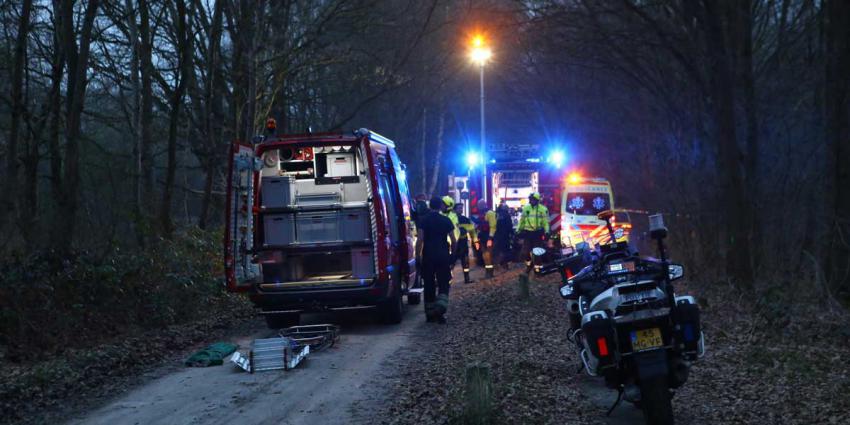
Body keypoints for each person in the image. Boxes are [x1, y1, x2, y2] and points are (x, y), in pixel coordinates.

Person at [415, 196, 457, 323]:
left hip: (428, 256)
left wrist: (418, 256)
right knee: (443, 283)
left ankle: (429, 313)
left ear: (430, 206)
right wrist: (452, 256)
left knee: (429, 283)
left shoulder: (423, 220)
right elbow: (453, 240)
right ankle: (440, 309)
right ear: (441, 206)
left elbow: (420, 240)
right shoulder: (446, 220)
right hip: (443, 256)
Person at [517, 192, 549, 274]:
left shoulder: (543, 209)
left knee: (537, 252)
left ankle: (537, 269)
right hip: (528, 233)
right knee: (525, 252)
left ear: (537, 200)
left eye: (533, 199)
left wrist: (547, 232)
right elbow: (522, 221)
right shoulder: (526, 208)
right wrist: (518, 230)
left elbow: (546, 222)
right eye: (530, 199)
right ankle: (529, 265)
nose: (531, 201)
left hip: (537, 233)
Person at [452, 203, 477, 283]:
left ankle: (467, 279)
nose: (461, 210)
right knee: (451, 261)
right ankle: (447, 280)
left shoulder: (465, 219)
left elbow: (472, 231)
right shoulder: (451, 219)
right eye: (459, 208)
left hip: (463, 242)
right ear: (454, 209)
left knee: (465, 261)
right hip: (454, 243)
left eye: (461, 208)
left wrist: (475, 240)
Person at [476, 199, 497, 278]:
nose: (478, 207)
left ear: (483, 205)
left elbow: (493, 226)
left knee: (488, 254)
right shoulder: (482, 214)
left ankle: (490, 272)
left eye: (479, 205)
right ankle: (488, 271)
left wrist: (490, 237)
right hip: (483, 236)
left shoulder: (490, 213)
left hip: (488, 236)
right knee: (485, 254)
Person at [493, 203, 514, 270]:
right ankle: (504, 264)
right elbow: (509, 226)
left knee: (497, 250)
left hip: (496, 235)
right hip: (505, 236)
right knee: (505, 250)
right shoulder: (507, 215)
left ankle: (496, 264)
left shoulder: (496, 215)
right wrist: (512, 233)